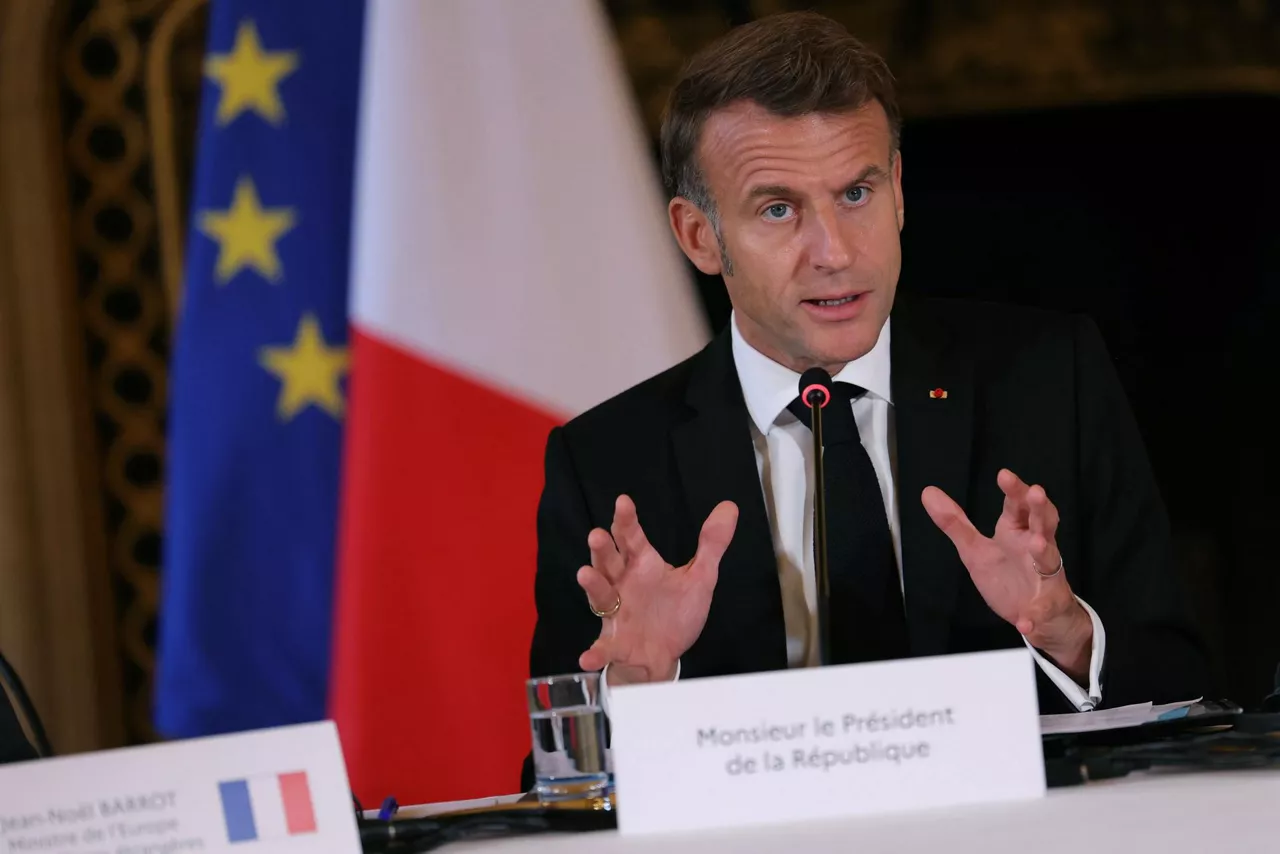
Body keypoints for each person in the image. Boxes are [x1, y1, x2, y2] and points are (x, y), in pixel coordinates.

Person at [528, 11, 1208, 716]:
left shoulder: (1047, 380)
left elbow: (1182, 688)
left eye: (857, 194)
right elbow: (553, 789)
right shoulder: (608, 465)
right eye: (779, 210)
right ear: (699, 237)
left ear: (900, 189)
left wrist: (1068, 634)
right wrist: (635, 690)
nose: (835, 252)